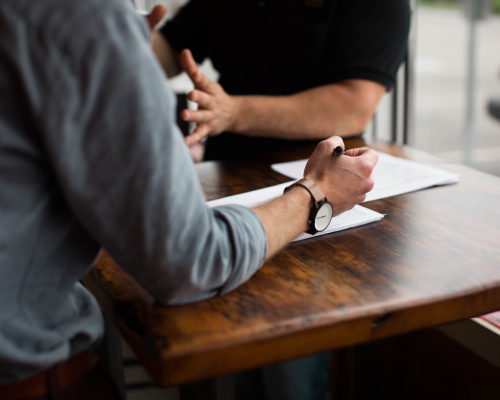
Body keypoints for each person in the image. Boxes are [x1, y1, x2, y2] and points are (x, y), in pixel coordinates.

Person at [0, 0, 377, 399]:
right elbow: (189, 259)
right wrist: (317, 194)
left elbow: (356, 105)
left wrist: (121, 53)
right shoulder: (84, 18)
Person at [152, 0, 411, 160]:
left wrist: (232, 112)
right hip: (226, 167)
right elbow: (173, 48)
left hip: (318, 176)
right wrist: (125, 42)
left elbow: (353, 106)